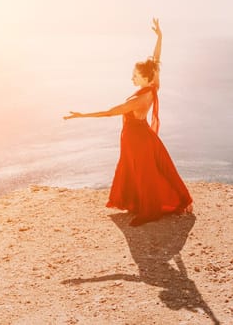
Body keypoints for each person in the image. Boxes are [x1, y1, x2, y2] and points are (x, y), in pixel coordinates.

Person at [64, 18, 193, 226]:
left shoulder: (137, 100)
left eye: (135, 76)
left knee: (142, 174)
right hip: (144, 138)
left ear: (144, 77)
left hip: (137, 141)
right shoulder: (153, 86)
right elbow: (156, 62)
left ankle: (149, 211)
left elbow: (108, 112)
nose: (132, 79)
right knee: (143, 172)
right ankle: (141, 204)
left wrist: (81, 115)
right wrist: (160, 37)